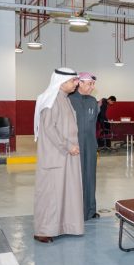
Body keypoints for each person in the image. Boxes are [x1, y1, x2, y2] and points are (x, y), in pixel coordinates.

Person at [32, 67, 84, 243]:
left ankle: (63, 226)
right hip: (55, 155)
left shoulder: (64, 99)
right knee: (50, 194)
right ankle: (43, 230)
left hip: (66, 154)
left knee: (66, 192)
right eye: (73, 81)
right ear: (61, 82)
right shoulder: (52, 100)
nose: (76, 84)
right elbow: (49, 129)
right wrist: (68, 146)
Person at [69, 72, 100, 221]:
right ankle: (76, 210)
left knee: (90, 176)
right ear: (80, 83)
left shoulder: (93, 101)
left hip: (90, 144)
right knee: (77, 177)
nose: (92, 87)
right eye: (90, 84)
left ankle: (90, 210)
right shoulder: (69, 100)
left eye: (93, 84)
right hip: (75, 145)